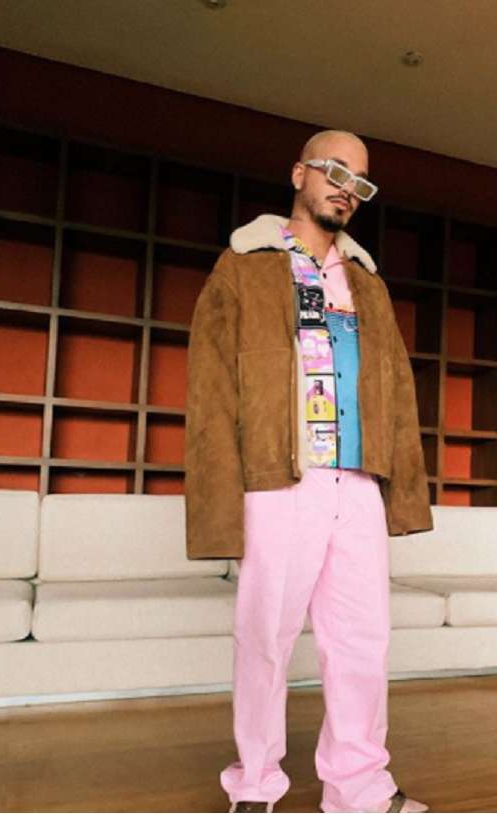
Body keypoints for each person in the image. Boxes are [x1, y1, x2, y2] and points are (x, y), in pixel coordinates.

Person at [184, 129, 433, 813]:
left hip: (359, 480)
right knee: (265, 637)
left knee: (361, 643)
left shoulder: (367, 283)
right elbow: (211, 391)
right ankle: (255, 786)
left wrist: (400, 491)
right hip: (280, 480)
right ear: (299, 174)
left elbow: (396, 389)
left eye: (360, 182)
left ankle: (359, 789)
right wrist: (220, 503)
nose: (346, 189)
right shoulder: (243, 267)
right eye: (334, 171)